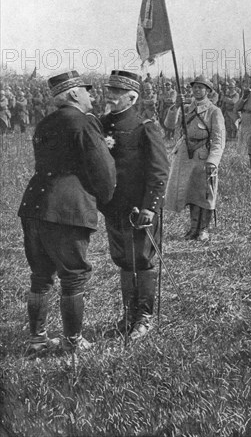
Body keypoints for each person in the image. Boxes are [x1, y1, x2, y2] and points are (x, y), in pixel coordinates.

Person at [18, 71, 116, 354]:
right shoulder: (83, 123)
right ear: (74, 94)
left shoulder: (45, 123)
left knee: (40, 274)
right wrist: (105, 200)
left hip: (33, 205)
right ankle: (73, 341)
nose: (93, 95)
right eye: (88, 91)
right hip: (66, 209)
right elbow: (104, 171)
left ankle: (37, 339)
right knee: (73, 275)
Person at [100, 70, 169, 340]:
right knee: (123, 261)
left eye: (116, 93)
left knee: (143, 259)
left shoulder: (145, 126)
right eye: (109, 90)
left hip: (140, 209)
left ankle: (144, 318)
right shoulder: (102, 124)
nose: (110, 96)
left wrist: (151, 207)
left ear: (132, 97)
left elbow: (159, 171)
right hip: (114, 207)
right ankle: (128, 315)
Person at [164, 75, 225, 241]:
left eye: (201, 87)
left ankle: (204, 229)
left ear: (207, 90)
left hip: (203, 155)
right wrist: (175, 107)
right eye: (195, 87)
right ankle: (193, 228)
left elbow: (218, 139)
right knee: (190, 192)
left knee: (205, 194)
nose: (197, 90)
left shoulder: (214, 111)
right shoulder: (186, 108)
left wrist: (213, 160)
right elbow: (169, 125)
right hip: (186, 154)